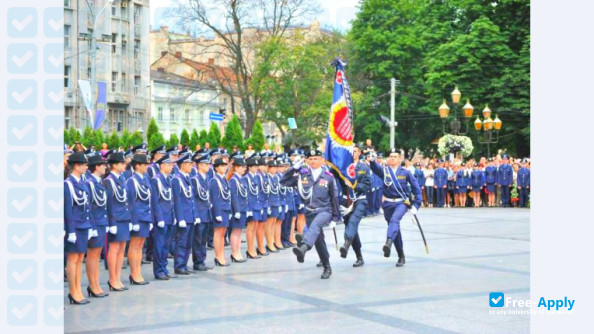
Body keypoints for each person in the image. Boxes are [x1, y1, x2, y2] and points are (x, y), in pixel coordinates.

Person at [283, 149, 340, 279]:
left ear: (322, 160)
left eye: (316, 158)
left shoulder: (328, 177)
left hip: (324, 210)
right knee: (319, 241)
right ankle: (327, 267)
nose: (313, 161)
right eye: (311, 159)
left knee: (314, 226)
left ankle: (304, 247)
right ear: (307, 161)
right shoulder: (302, 175)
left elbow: (334, 197)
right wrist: (294, 168)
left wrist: (335, 217)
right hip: (309, 211)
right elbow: (284, 181)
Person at [369, 148, 422, 267]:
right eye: (391, 156)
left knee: (395, 220)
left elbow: (416, 189)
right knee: (395, 228)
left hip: (401, 203)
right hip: (387, 204)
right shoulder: (384, 171)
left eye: (395, 156)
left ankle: (388, 242)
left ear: (399, 159)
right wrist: (372, 160)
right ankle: (401, 255)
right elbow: (375, 168)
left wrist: (416, 205)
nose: (392, 158)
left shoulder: (405, 172)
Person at [64, 152, 93, 304]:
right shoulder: (68, 184)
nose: (87, 167)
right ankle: (73, 291)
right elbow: (67, 209)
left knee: (80, 258)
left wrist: (90, 226)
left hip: (83, 225)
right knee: (73, 258)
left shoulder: (83, 182)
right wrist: (70, 231)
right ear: (76, 166)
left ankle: (78, 290)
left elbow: (88, 206)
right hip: (74, 227)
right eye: (84, 164)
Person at [339, 145, 371, 267]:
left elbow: (367, 185)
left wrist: (353, 185)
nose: (353, 153)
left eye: (355, 151)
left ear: (359, 153)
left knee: (352, 222)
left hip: (360, 200)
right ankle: (359, 256)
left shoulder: (363, 167)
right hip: (346, 202)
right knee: (351, 228)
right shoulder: (342, 167)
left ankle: (346, 245)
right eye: (350, 151)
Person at [104, 152, 131, 292]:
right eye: (122, 163)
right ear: (115, 165)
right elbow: (109, 204)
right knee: (114, 250)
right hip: (116, 219)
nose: (124, 165)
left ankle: (118, 278)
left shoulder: (122, 179)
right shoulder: (109, 181)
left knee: (122, 250)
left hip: (124, 218)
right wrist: (112, 223)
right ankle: (112, 279)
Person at [85, 154, 109, 298]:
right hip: (95, 222)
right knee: (92, 255)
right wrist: (92, 226)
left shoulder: (100, 182)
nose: (105, 167)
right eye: (102, 165)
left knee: (97, 255)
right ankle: (92, 285)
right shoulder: (89, 183)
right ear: (96, 167)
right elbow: (90, 206)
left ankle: (96, 284)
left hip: (101, 221)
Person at [126, 154, 152, 285]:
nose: (147, 166)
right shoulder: (132, 181)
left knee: (140, 246)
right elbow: (131, 203)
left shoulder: (145, 179)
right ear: (137, 166)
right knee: (135, 245)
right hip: (137, 217)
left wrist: (150, 218)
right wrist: (134, 221)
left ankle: (138, 272)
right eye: (144, 164)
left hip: (145, 217)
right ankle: (133, 273)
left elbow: (148, 200)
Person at [150, 152, 176, 280]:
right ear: (162, 166)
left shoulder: (169, 179)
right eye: (169, 164)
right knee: (159, 245)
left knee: (166, 245)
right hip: (161, 218)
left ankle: (164, 268)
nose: (172, 167)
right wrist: (159, 218)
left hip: (170, 216)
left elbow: (171, 199)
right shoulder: (156, 180)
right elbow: (155, 201)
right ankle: (158, 270)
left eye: (172, 164)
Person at [172, 153, 198, 275]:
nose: (191, 166)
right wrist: (180, 218)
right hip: (184, 217)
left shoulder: (187, 178)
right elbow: (177, 200)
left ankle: (184, 264)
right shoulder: (177, 179)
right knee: (182, 242)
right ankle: (179, 265)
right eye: (188, 164)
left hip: (190, 215)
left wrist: (195, 215)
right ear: (182, 165)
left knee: (188, 243)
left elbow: (192, 199)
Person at [190, 152, 214, 271]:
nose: (208, 166)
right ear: (200, 165)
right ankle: (197, 262)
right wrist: (196, 214)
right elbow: (193, 198)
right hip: (199, 212)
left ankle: (202, 260)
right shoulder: (195, 179)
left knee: (203, 238)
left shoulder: (208, 178)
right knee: (198, 238)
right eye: (206, 164)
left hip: (207, 212)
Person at [210, 158, 232, 266]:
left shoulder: (224, 179)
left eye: (225, 165)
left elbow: (227, 196)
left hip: (225, 209)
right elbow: (215, 198)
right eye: (222, 166)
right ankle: (218, 256)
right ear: (216, 168)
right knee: (218, 233)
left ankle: (221, 255)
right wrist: (217, 213)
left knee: (223, 234)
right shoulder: (215, 181)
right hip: (220, 210)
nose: (224, 167)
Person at [228, 157, 249, 262]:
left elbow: (244, 195)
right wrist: (236, 211)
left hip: (243, 209)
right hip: (237, 210)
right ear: (235, 167)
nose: (244, 168)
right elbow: (233, 197)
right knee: (235, 232)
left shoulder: (240, 179)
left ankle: (238, 252)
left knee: (240, 232)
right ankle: (234, 253)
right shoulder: (233, 180)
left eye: (244, 166)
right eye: (241, 166)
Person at [245, 156, 262, 259]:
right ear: (249, 168)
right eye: (254, 167)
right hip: (250, 206)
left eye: (257, 166)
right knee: (250, 228)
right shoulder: (246, 178)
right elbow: (245, 194)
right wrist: (247, 208)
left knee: (255, 227)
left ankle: (252, 248)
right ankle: (250, 249)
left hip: (257, 205)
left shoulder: (256, 177)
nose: (256, 168)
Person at [265, 160, 281, 253]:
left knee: (274, 223)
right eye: (273, 167)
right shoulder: (267, 178)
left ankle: (273, 242)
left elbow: (277, 191)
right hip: (270, 203)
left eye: (275, 167)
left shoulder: (275, 178)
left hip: (276, 202)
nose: (274, 169)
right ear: (269, 168)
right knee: (269, 224)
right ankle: (269, 243)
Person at [256, 156, 270, 256]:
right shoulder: (258, 176)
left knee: (263, 225)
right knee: (259, 226)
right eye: (264, 165)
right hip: (260, 203)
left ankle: (261, 246)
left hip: (265, 203)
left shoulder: (264, 176)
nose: (266, 167)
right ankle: (260, 247)